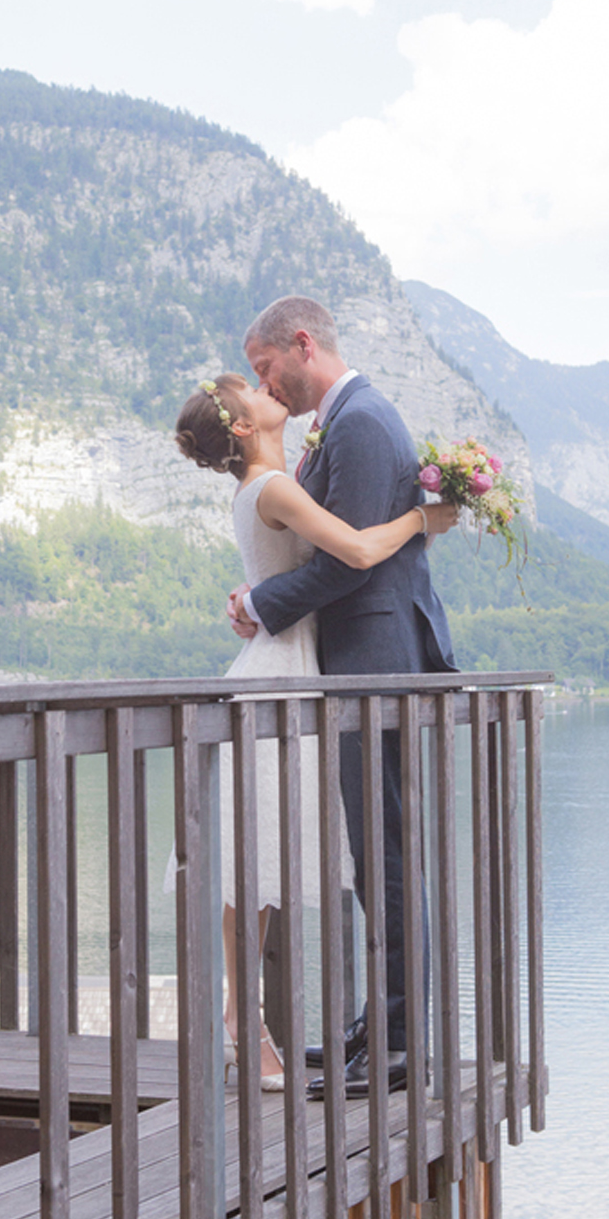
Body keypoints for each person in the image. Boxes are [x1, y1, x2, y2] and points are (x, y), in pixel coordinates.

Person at [174, 371, 457, 1088]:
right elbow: (357, 553)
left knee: (260, 850)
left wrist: (255, 599)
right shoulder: (273, 487)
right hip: (285, 669)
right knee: (257, 849)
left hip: (285, 660)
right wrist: (427, 518)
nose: (271, 388)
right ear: (242, 427)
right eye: (255, 388)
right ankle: (244, 1019)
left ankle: (246, 1018)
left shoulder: (272, 481)